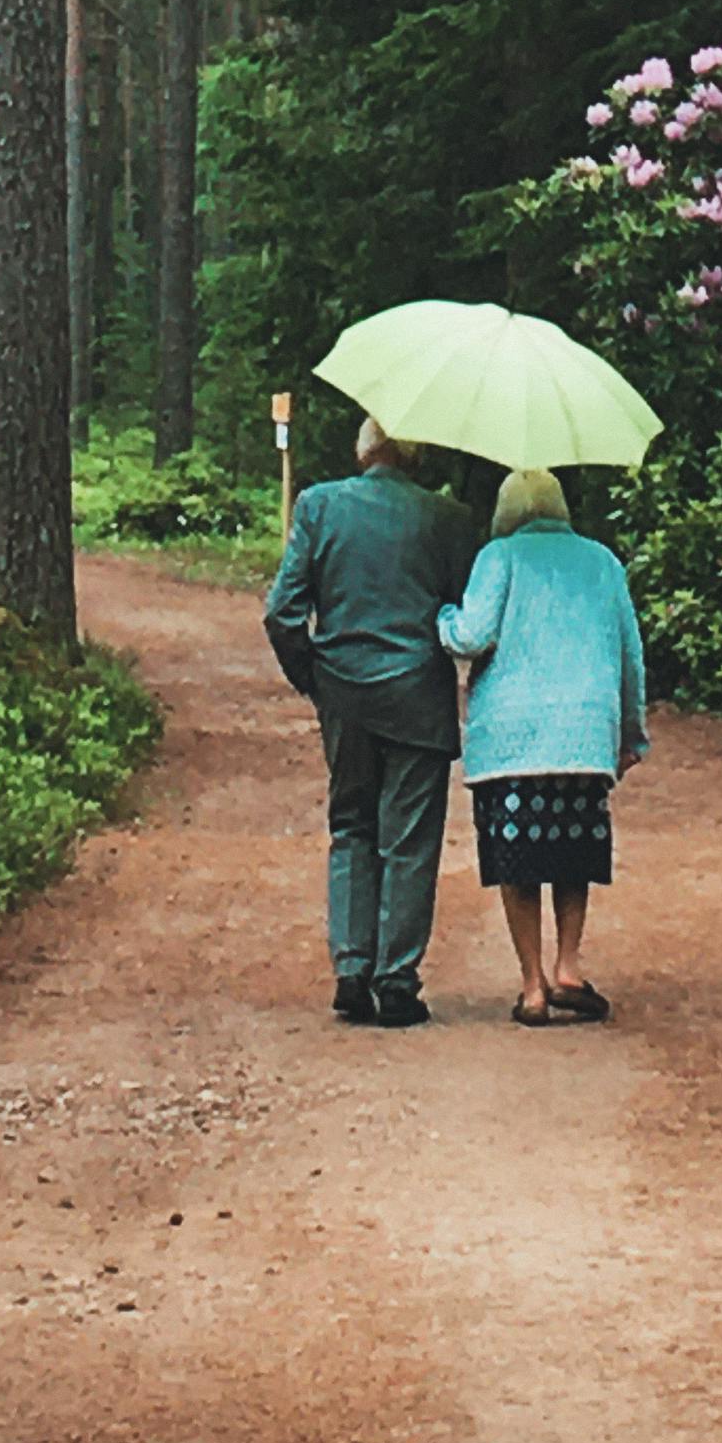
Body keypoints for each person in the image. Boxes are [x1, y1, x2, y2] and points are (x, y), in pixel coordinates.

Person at [264, 419, 474, 1029]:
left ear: (363, 448)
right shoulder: (448, 519)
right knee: (408, 839)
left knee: (351, 824)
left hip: (345, 691)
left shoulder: (319, 506)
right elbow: (466, 613)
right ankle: (397, 980)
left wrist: (315, 678)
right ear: (415, 450)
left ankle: (352, 966)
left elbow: (283, 611)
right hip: (417, 695)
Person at [439, 467, 649, 1027]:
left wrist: (443, 617)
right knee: (572, 850)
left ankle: (532, 986)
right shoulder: (602, 561)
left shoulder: (498, 557)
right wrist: (631, 732)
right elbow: (630, 651)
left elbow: (471, 635)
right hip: (583, 731)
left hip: (511, 738)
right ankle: (569, 966)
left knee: (518, 857)